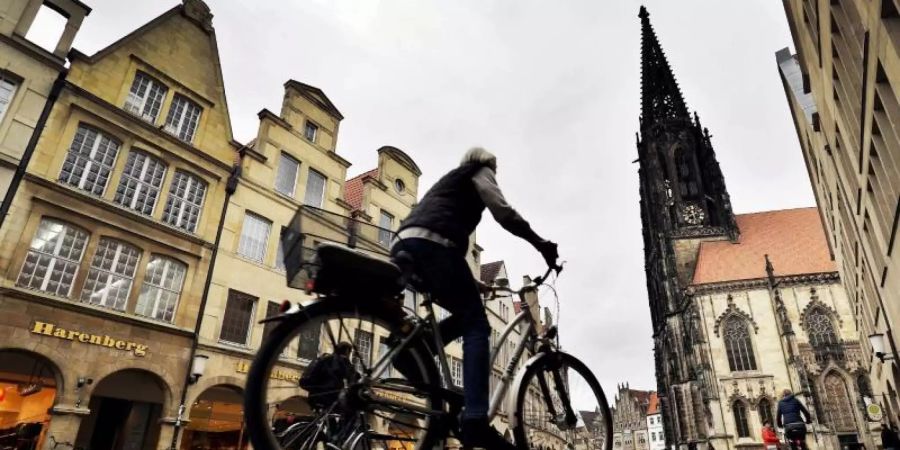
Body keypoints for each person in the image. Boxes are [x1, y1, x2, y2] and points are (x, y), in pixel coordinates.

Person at [390, 147, 558, 450]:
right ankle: (476, 418)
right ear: (487, 164)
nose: (494, 177)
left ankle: (415, 348)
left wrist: (476, 284)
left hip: (405, 244)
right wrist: (540, 242)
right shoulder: (479, 171)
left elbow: (439, 230)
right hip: (433, 246)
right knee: (477, 325)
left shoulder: (449, 181)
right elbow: (503, 212)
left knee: (466, 311)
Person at [300, 342, 358, 410]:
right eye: (350, 352)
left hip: (314, 396)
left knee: (328, 418)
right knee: (350, 408)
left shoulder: (324, 358)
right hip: (328, 398)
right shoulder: (342, 361)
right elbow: (354, 377)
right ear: (347, 351)